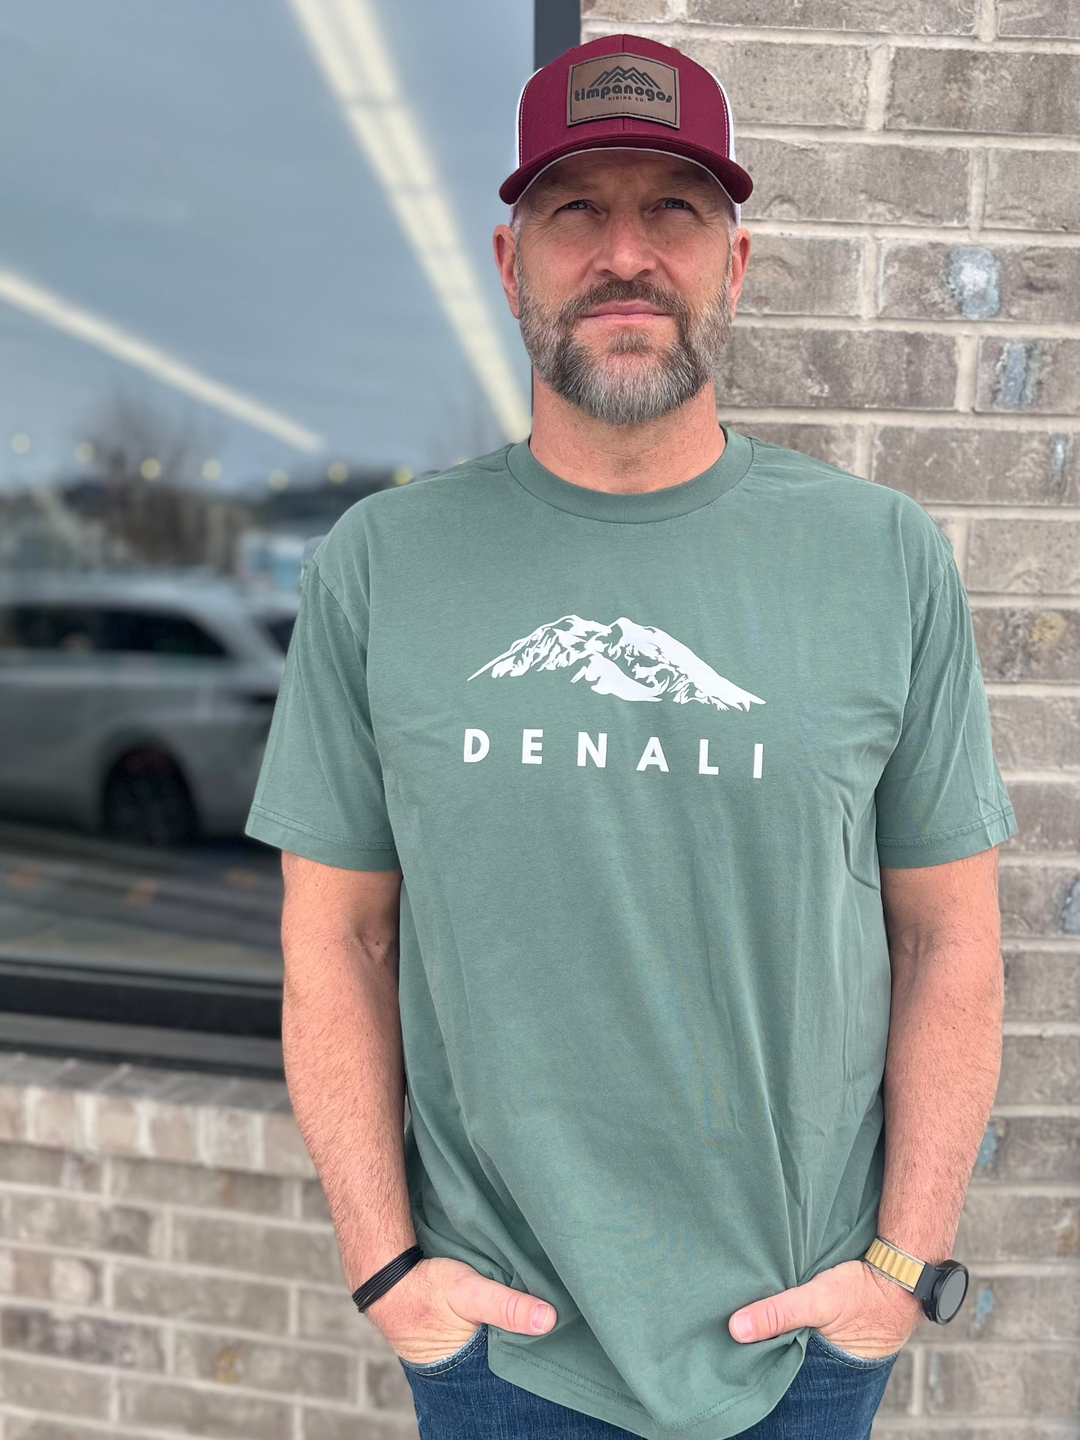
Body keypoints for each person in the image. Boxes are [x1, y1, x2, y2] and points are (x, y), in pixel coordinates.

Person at [245, 33, 1017, 1440]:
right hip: (500, 1350)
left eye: (673, 209)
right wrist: (385, 1267)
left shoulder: (881, 557)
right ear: (508, 261)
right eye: (574, 210)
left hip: (801, 1344)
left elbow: (951, 934)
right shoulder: (381, 565)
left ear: (732, 266)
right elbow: (335, 935)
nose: (624, 253)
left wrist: (898, 1272)